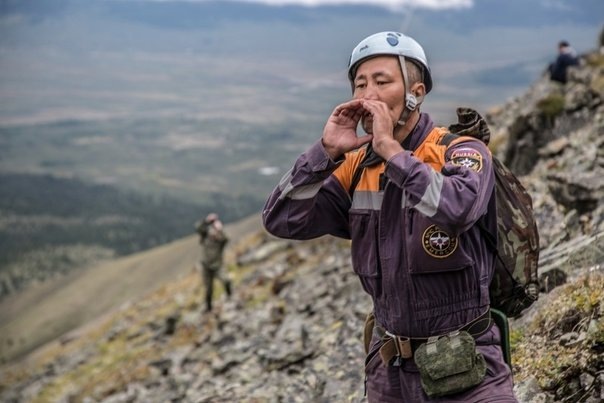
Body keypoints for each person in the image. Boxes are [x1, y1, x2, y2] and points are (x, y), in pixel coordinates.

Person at [262, 32, 516, 401]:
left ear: (416, 92)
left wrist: (392, 152)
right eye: (360, 84)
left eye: (382, 82)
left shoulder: (461, 151)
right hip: (390, 374)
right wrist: (326, 152)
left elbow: (458, 209)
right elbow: (281, 219)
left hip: (470, 368)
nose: (368, 94)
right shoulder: (355, 167)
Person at [196, 213, 231, 313]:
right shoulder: (204, 236)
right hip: (206, 267)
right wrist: (207, 221)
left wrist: (219, 229)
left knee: (226, 280)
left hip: (217, 266)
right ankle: (209, 308)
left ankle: (230, 297)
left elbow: (226, 238)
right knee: (208, 290)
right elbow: (199, 228)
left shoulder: (220, 240)